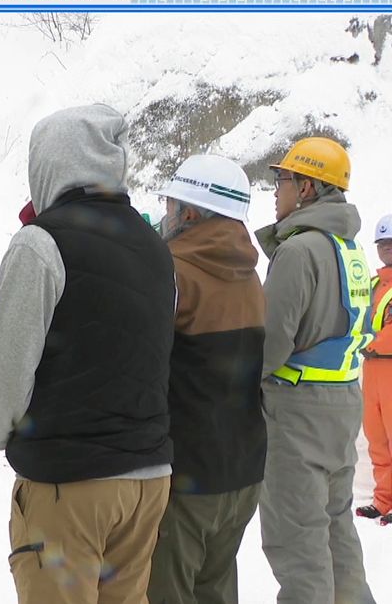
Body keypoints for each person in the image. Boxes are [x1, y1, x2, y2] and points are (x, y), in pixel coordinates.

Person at [0, 104, 175, 604]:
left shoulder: (41, 243)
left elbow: (6, 365)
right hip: (148, 480)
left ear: (48, 162)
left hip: (72, 480)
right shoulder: (153, 244)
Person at [256, 137, 375, 603]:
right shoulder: (351, 250)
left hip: (297, 413)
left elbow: (271, 343)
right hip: (341, 404)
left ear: (307, 188)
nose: (276, 190)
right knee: (335, 531)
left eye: (282, 180)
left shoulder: (301, 251)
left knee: (299, 542)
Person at [147, 155, 266, 604]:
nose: (166, 213)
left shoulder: (174, 273)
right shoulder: (251, 275)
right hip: (244, 471)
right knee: (216, 590)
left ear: (191, 213)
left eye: (172, 203)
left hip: (188, 476)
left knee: (166, 592)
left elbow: (150, 369)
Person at [357, 213, 392, 525]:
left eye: (391, 244)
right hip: (371, 370)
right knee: (376, 438)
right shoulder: (372, 283)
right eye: (382, 244)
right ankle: (383, 500)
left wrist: (367, 341)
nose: (386, 249)